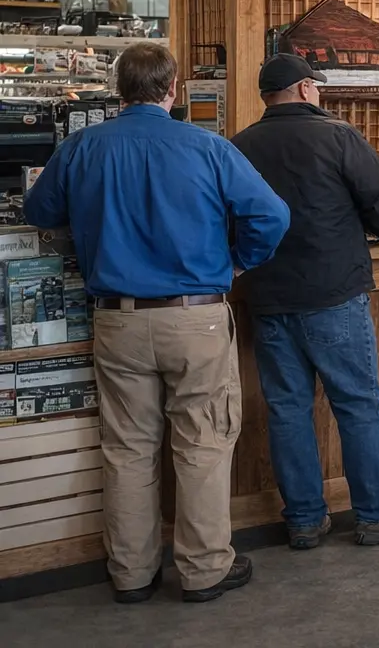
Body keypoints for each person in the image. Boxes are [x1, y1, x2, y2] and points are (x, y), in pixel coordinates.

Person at [23, 42, 289, 604]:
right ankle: (203, 569)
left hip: (116, 320)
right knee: (203, 444)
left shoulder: (81, 147)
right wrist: (240, 261)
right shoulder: (208, 148)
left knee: (127, 449)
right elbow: (272, 214)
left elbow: (39, 212)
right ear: (173, 90)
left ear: (119, 91)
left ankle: (131, 573)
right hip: (196, 320)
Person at [230, 53, 379, 550]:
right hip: (333, 293)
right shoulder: (337, 135)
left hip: (268, 297)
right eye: (315, 86)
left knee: (287, 410)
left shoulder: (238, 147)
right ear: (302, 89)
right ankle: (377, 514)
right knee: (358, 405)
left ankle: (303, 519)